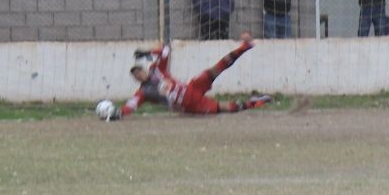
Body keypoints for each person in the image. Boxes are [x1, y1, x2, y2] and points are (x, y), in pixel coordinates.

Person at [105, 32, 271, 120]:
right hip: (191, 106)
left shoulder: (157, 70)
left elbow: (166, 50)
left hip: (192, 87)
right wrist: (119, 113)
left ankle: (244, 47)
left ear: (144, 70)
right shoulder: (144, 92)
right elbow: (131, 105)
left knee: (214, 69)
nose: (139, 76)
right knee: (225, 108)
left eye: (139, 72)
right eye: (136, 76)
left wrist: (148, 52)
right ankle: (258, 102)